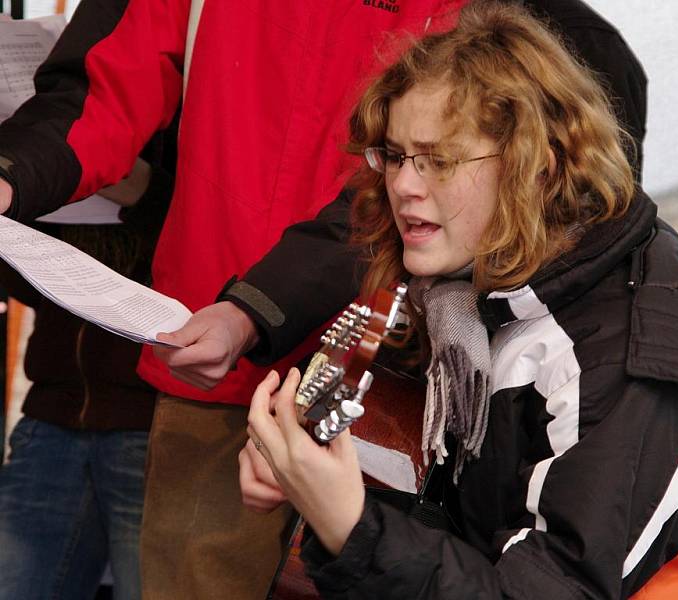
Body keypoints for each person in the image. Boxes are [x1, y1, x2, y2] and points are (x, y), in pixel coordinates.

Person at [0, 1, 645, 597]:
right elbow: (99, 94)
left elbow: (393, 191)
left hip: (390, 380)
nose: (409, 181)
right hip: (217, 372)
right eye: (397, 158)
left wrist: (256, 308)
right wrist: (10, 176)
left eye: (427, 161)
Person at [241, 2, 678, 598]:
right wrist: (319, 488)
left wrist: (350, 523)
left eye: (441, 159)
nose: (403, 184)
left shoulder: (628, 362)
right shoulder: (472, 294)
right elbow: (469, 520)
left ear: (537, 166)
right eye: (398, 156)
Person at [0, 153, 172, 600]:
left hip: (152, 426)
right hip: (51, 415)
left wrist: (144, 190)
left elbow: (201, 262)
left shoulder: (190, 125)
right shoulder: (55, 130)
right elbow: (27, 290)